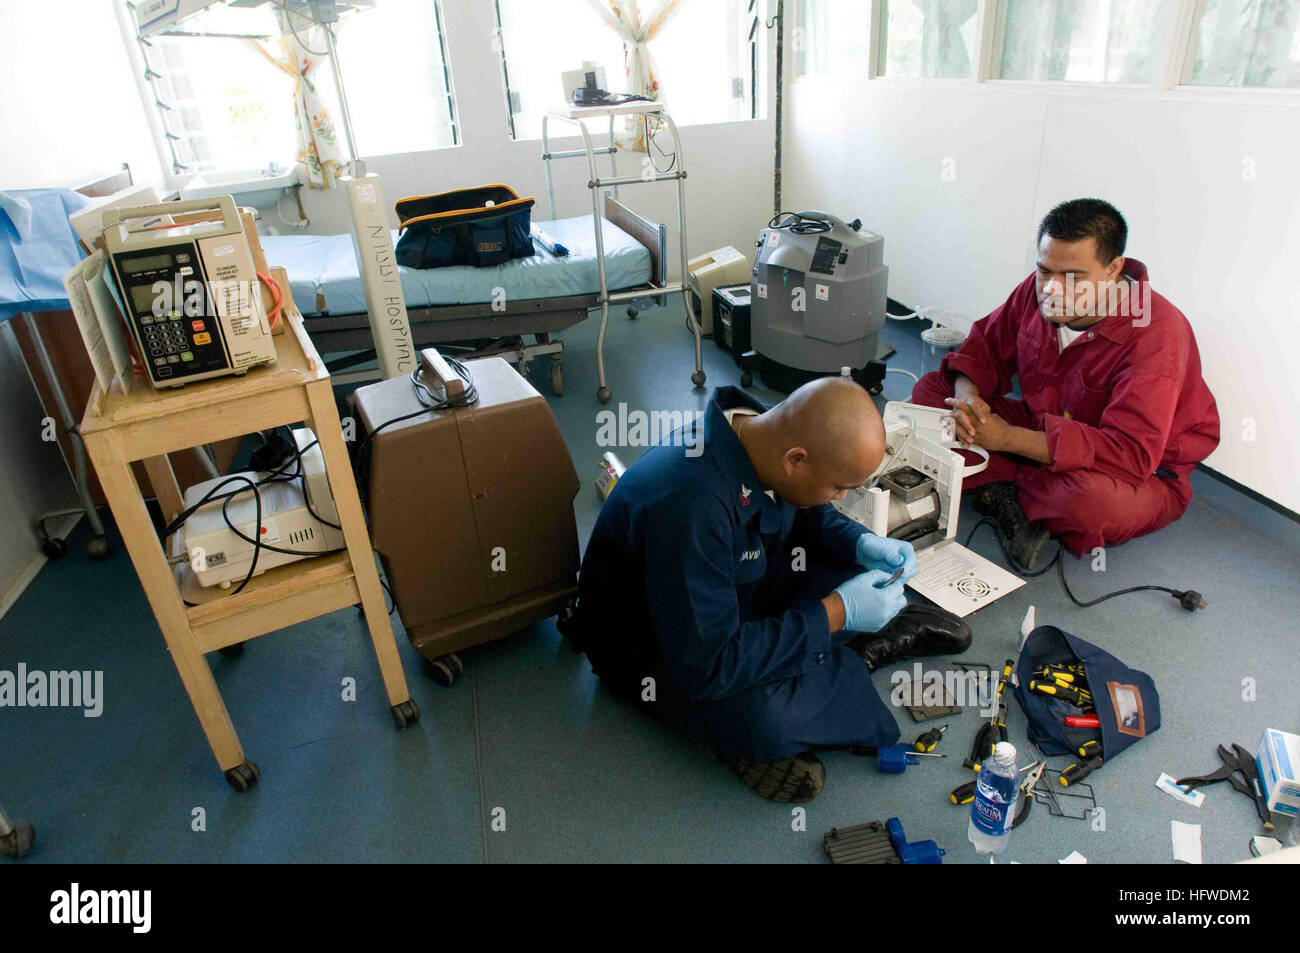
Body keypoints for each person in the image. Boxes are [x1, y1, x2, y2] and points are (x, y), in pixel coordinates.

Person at [564, 379, 970, 802]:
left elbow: (805, 511)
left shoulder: (759, 435)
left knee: (850, 561)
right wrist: (837, 613)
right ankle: (857, 653)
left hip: (726, 592)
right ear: (796, 460)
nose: (843, 496)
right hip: (656, 652)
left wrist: (860, 541)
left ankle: (822, 657)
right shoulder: (691, 506)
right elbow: (709, 665)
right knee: (766, 717)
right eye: (840, 487)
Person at [911, 198, 1219, 566]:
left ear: (1114, 268)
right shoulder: (1040, 286)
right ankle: (1018, 488)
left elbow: (1130, 453)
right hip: (1047, 427)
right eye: (1044, 271)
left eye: (1073, 277)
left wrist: (1008, 439)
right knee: (934, 393)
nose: (1053, 289)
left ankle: (998, 480)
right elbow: (983, 350)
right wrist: (967, 400)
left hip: (1138, 472)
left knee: (1088, 504)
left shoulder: (1156, 333)